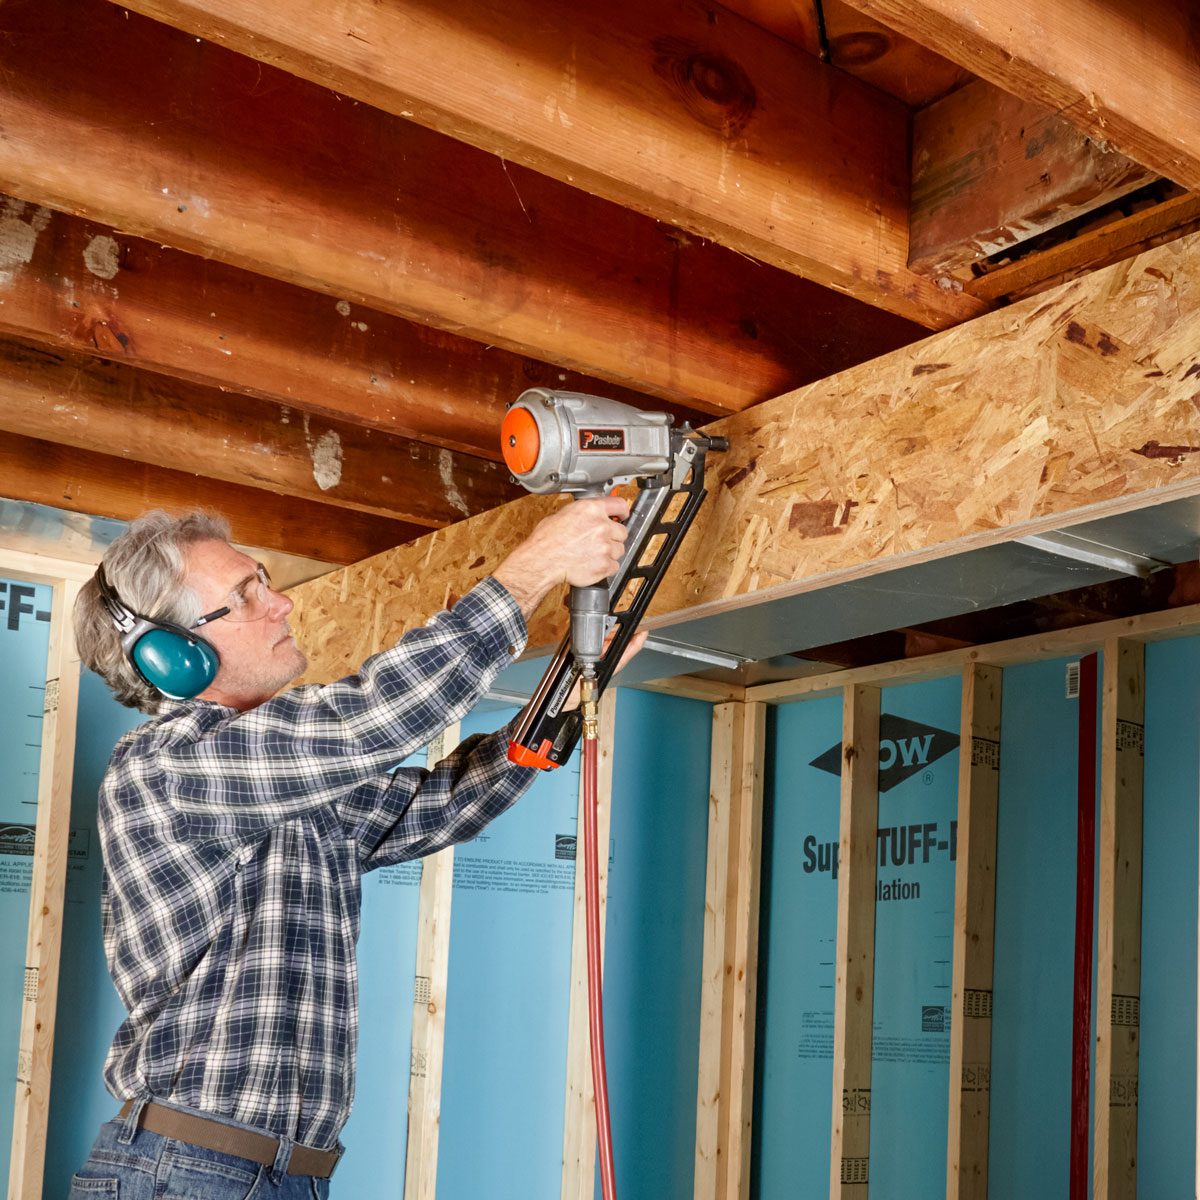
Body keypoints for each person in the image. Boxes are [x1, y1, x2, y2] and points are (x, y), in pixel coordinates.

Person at [68, 497, 632, 1197]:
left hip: (280, 1174)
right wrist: (533, 569)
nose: (281, 606)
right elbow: (369, 721)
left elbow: (438, 806)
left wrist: (568, 692)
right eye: (247, 596)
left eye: (266, 582)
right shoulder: (167, 768)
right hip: (190, 1173)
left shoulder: (282, 787)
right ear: (173, 657)